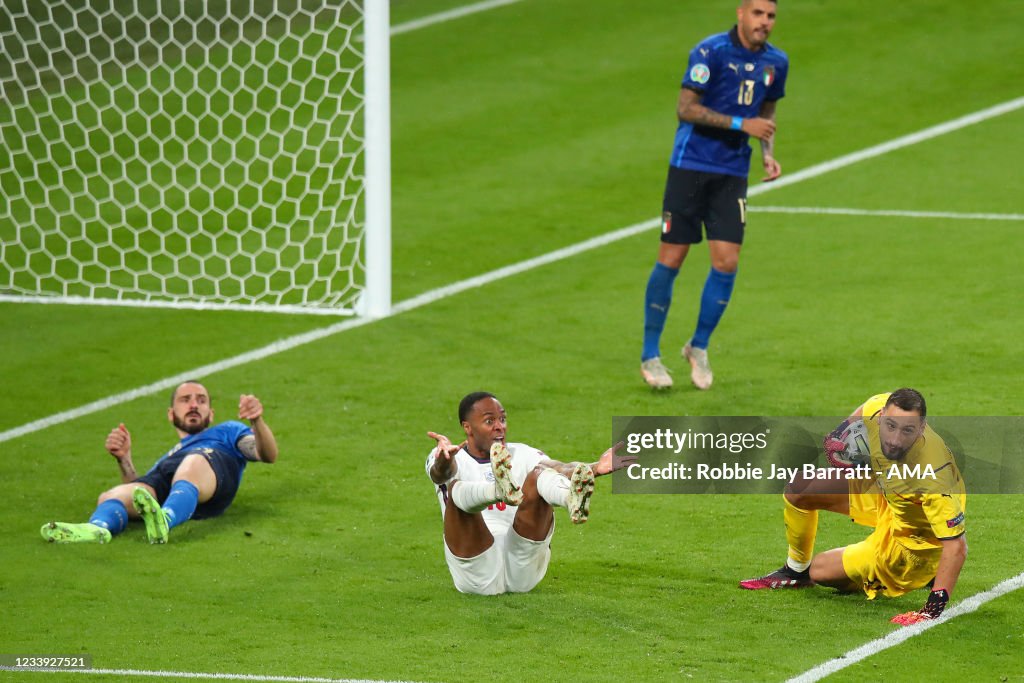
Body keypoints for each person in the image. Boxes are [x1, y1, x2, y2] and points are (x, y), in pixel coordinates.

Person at [641, 0, 788, 390]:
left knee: (727, 261)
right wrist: (743, 123)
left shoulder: (776, 62)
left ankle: (698, 346)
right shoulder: (709, 52)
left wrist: (768, 156)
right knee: (672, 257)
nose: (765, 23)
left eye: (771, 16)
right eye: (758, 14)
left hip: (732, 172)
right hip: (690, 167)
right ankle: (650, 355)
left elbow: (767, 115)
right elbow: (686, 108)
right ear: (741, 12)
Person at [739, 389, 968, 625]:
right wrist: (838, 437)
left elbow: (957, 547)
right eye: (890, 426)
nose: (895, 439)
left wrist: (932, 609)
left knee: (820, 571)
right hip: (885, 494)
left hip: (913, 540)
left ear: (921, 429)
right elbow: (860, 414)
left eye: (907, 430)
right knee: (799, 488)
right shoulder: (877, 409)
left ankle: (927, 573)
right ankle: (795, 571)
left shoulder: (934, 475)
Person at [426, 391, 634, 595]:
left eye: (503, 419)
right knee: (455, 491)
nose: (500, 426)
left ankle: (569, 498)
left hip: (522, 560)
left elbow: (560, 467)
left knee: (540, 473)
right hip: (475, 568)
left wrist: (596, 467)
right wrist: (444, 459)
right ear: (467, 427)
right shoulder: (449, 458)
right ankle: (498, 490)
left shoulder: (522, 453)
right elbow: (440, 473)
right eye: (490, 421)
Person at [41, 380, 279, 544]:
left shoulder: (227, 431)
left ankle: (165, 519)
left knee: (192, 463)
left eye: (201, 400)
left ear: (211, 413)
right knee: (113, 495)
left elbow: (267, 454)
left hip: (212, 475)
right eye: (185, 400)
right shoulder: (167, 458)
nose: (194, 404)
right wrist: (124, 460)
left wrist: (256, 421)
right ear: (170, 413)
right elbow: (141, 497)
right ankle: (98, 528)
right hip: (174, 476)